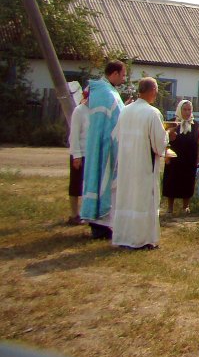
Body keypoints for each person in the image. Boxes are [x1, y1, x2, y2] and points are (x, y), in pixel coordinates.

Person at [111, 77, 168, 249]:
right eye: (156, 90)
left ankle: (124, 236)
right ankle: (142, 239)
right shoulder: (152, 113)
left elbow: (117, 136)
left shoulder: (125, 111)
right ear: (152, 91)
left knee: (127, 197)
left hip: (127, 162)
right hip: (144, 164)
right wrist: (168, 136)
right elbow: (158, 144)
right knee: (143, 199)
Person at [81, 61, 127, 239]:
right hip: (105, 146)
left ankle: (105, 224)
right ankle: (100, 225)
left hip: (106, 143)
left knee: (107, 185)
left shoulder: (107, 90)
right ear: (114, 73)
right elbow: (112, 121)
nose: (124, 79)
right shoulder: (106, 93)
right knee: (104, 182)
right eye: (123, 75)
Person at [162, 99, 199, 216]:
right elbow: (164, 139)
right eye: (184, 109)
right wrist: (166, 155)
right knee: (171, 180)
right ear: (180, 110)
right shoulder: (172, 123)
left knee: (188, 181)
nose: (187, 112)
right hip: (174, 157)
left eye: (189, 109)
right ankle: (170, 207)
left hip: (189, 157)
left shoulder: (195, 124)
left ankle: (186, 206)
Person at [66, 85, 90, 225]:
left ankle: (85, 213)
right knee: (76, 184)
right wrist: (76, 155)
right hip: (80, 153)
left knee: (87, 185)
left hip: (90, 153)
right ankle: (74, 214)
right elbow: (74, 135)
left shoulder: (95, 111)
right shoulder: (79, 111)